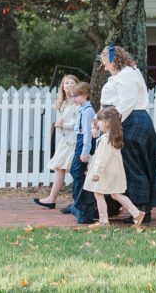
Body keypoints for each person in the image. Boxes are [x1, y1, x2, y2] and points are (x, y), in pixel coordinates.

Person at [71, 46, 156, 224]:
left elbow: (128, 102)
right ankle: (113, 206)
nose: (103, 66)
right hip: (125, 121)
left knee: (132, 166)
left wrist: (110, 123)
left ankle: (141, 210)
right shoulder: (124, 74)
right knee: (118, 166)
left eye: (104, 62)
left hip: (132, 123)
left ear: (112, 60)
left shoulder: (127, 75)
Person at [84, 107, 147, 226]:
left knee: (98, 193)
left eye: (100, 121)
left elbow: (102, 159)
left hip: (105, 171)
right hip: (114, 171)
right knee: (116, 194)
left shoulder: (106, 140)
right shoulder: (112, 137)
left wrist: (96, 172)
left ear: (107, 122)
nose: (98, 124)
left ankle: (103, 220)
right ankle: (137, 213)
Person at [34, 74, 80, 209]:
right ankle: (51, 199)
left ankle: (77, 201)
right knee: (60, 168)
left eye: (72, 83)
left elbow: (79, 123)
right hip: (65, 141)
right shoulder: (64, 103)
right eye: (66, 83)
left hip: (73, 141)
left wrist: (63, 125)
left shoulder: (77, 102)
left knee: (77, 171)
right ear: (62, 86)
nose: (69, 86)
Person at [61, 82, 95, 215]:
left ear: (85, 95)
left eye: (76, 96)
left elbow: (87, 133)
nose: (73, 99)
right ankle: (77, 201)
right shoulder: (81, 109)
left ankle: (79, 202)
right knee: (76, 172)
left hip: (83, 143)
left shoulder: (87, 111)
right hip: (79, 141)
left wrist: (85, 152)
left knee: (77, 172)